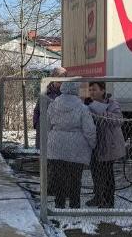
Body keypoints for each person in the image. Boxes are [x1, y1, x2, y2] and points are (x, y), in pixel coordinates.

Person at [46, 81, 96, 209]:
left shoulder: (53, 105)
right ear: (76, 90)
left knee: (58, 178)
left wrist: (50, 138)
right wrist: (93, 144)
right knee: (75, 178)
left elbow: (47, 125)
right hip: (76, 146)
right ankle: (74, 205)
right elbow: (89, 129)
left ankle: (59, 204)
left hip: (56, 145)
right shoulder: (82, 108)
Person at [85, 81, 126, 208]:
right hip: (95, 143)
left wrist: (97, 109)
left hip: (109, 144)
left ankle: (108, 200)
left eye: (94, 89)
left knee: (107, 173)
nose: (92, 92)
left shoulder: (112, 103)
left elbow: (118, 121)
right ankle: (98, 197)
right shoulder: (87, 104)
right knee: (95, 172)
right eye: (90, 89)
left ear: (102, 90)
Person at [33, 67, 67, 150]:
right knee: (42, 152)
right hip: (43, 128)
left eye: (63, 78)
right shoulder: (45, 91)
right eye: (58, 78)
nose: (60, 81)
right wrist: (36, 124)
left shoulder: (67, 94)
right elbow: (37, 109)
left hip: (58, 130)